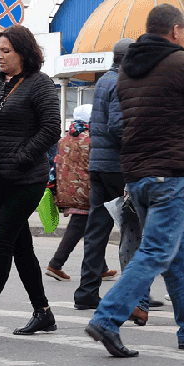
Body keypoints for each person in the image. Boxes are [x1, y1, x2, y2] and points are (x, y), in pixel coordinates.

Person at [86, 4, 184, 357]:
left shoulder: (128, 71)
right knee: (156, 252)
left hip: (138, 176)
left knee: (174, 254)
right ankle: (107, 317)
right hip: (171, 174)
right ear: (176, 31)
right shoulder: (179, 62)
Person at [0, 25, 61, 339]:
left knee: (2, 241)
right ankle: (43, 311)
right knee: (22, 247)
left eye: (6, 51)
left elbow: (51, 129)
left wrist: (23, 155)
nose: (1, 57)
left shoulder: (41, 84)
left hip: (27, 178)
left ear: (24, 52)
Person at [74, 39, 133, 311]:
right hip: (115, 166)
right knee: (133, 230)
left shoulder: (104, 81)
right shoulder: (121, 82)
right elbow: (118, 126)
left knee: (96, 229)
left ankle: (86, 291)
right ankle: (135, 294)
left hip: (99, 163)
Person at [46, 105, 115, 282]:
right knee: (81, 228)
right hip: (87, 191)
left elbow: (56, 165)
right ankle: (56, 263)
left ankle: (101, 267)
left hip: (68, 190)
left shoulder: (65, 139)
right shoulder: (91, 139)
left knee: (90, 228)